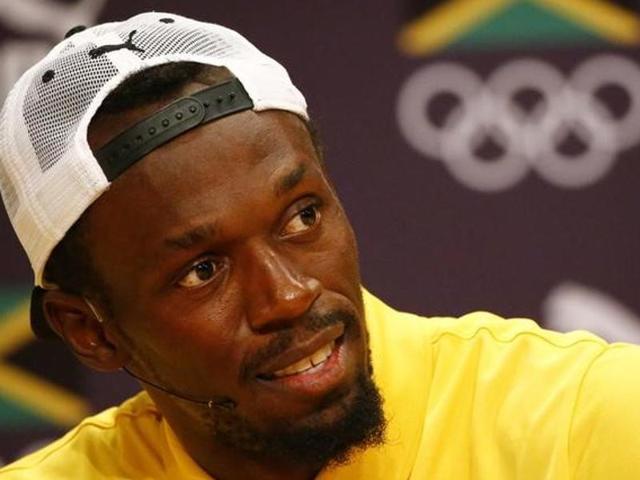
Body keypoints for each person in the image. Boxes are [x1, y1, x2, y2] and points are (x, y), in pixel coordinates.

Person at [0, 11, 639, 480]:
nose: (289, 294)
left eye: (301, 217)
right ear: (89, 330)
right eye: (202, 270)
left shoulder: (592, 424)